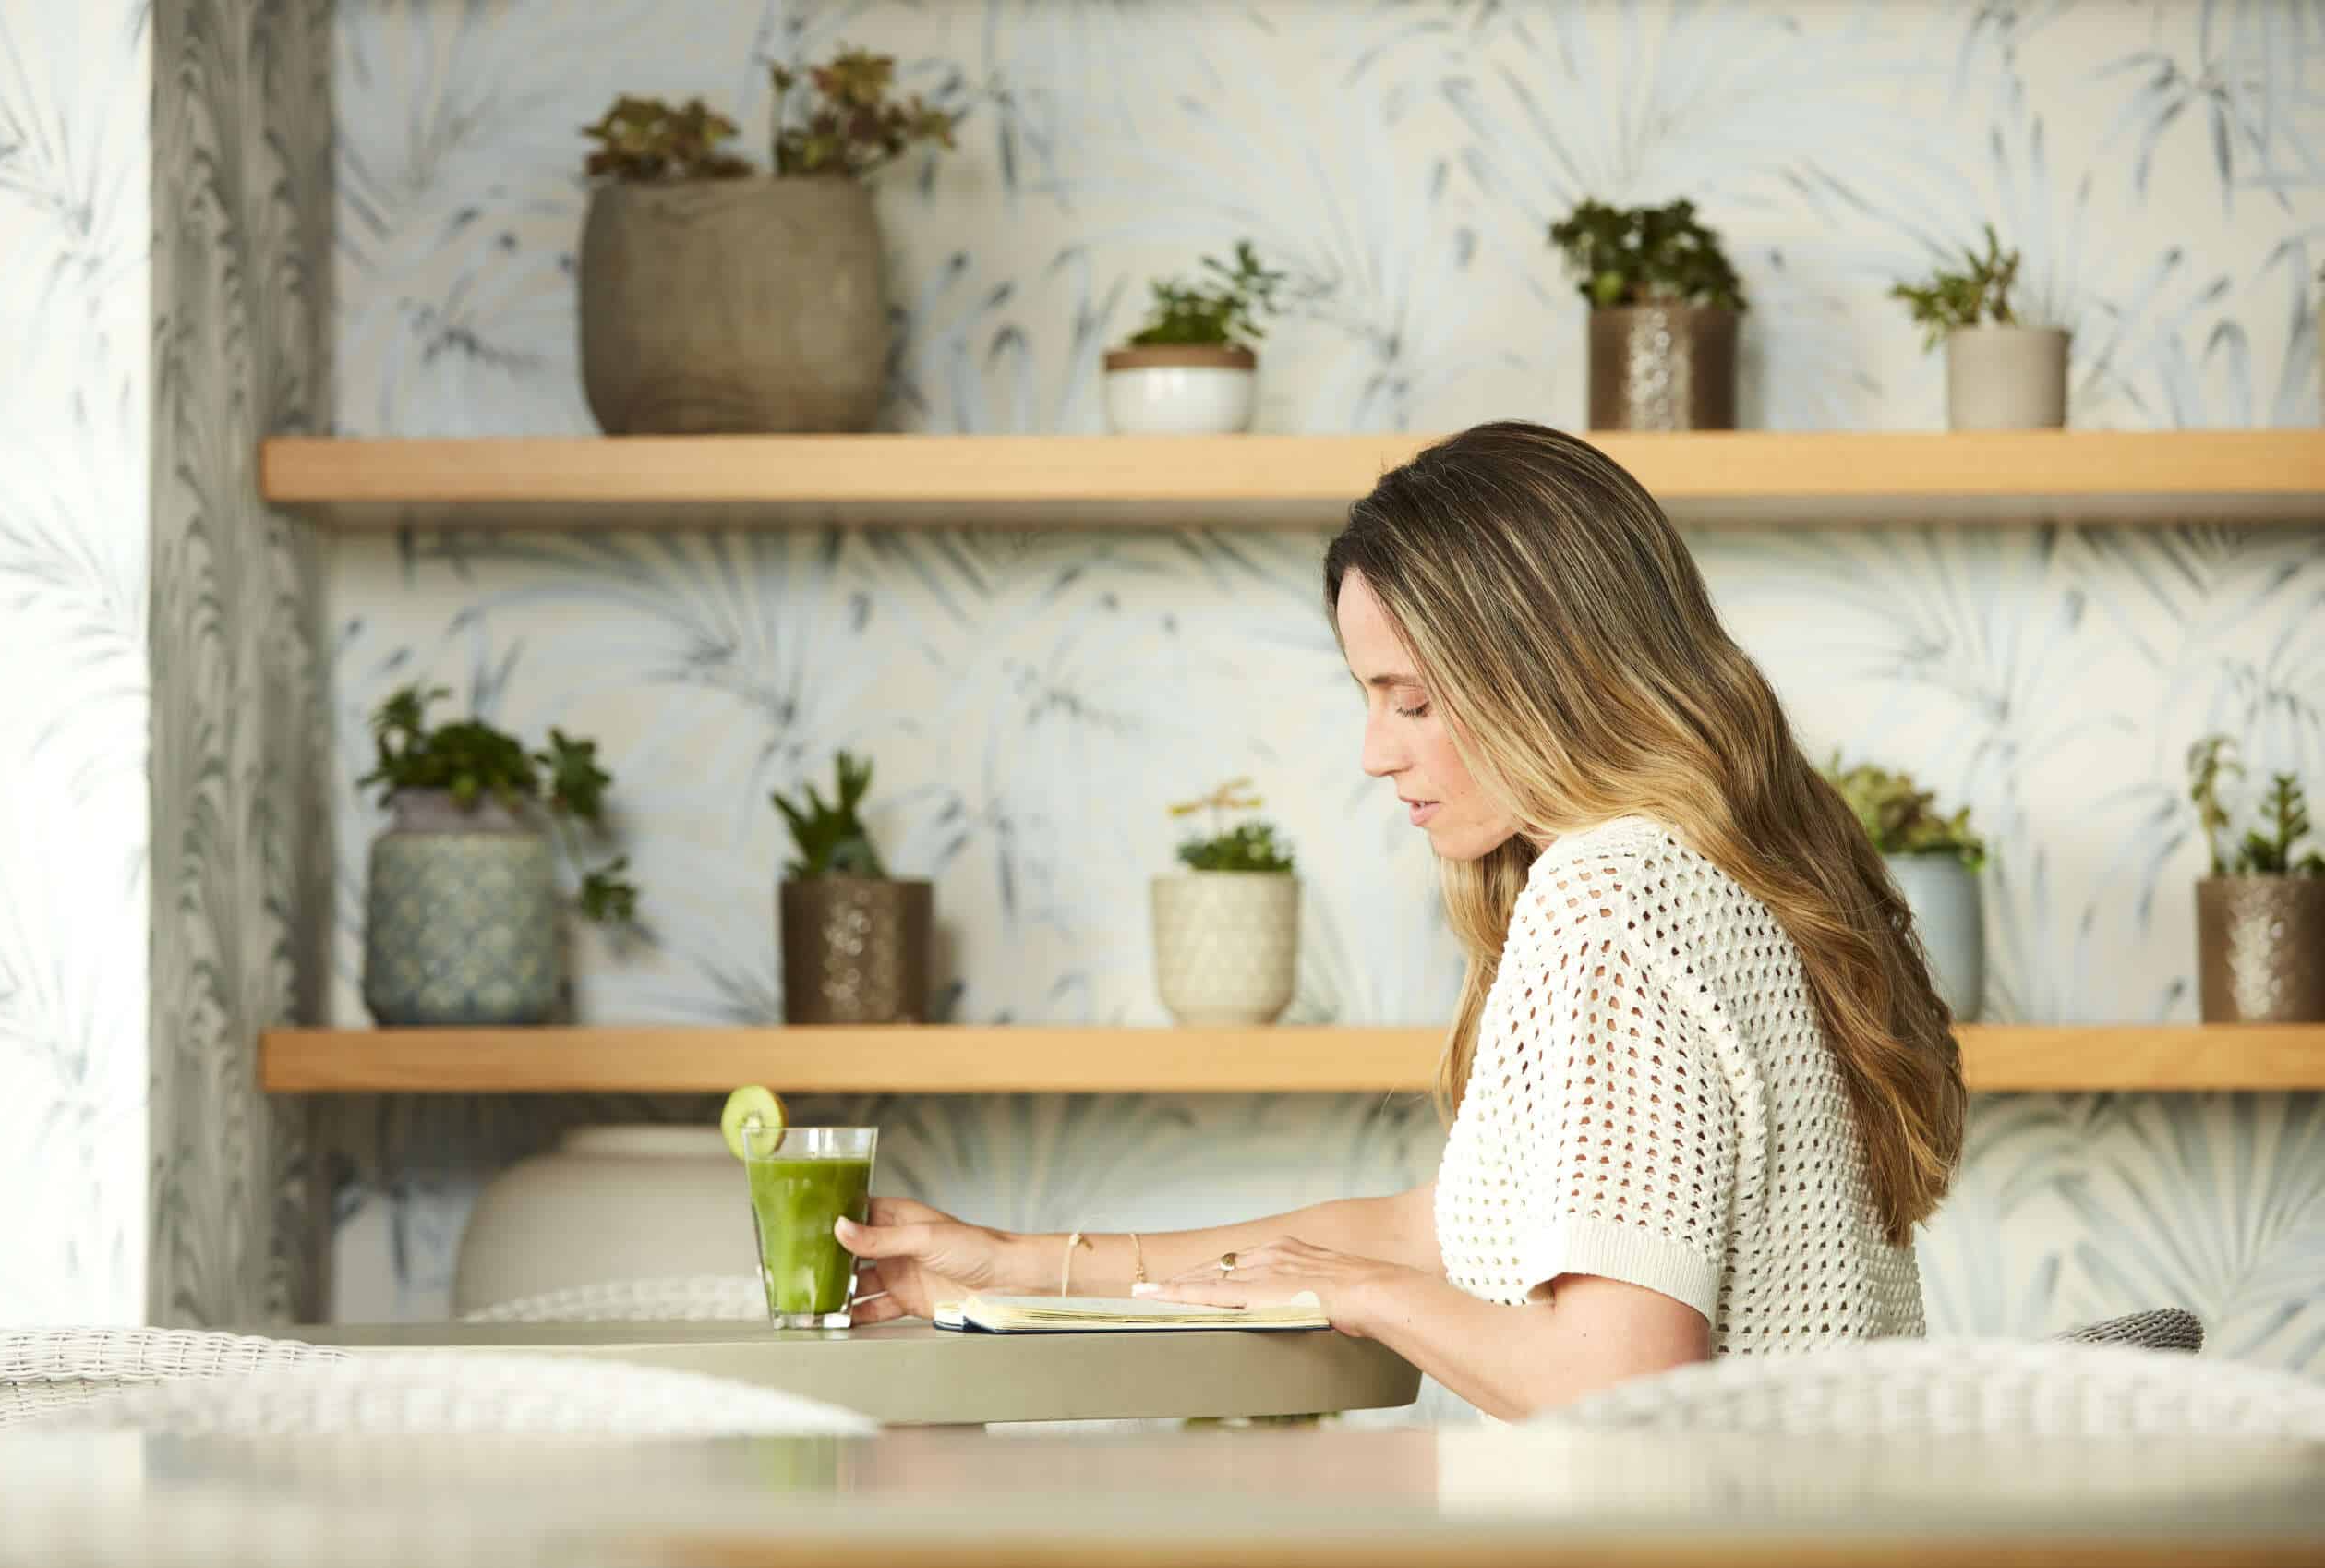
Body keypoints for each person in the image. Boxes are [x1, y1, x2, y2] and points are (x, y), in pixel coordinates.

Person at [835, 421, 1968, 1421]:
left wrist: (1363, 1298)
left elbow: (1618, 1390)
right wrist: (1019, 1265)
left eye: (1413, 700)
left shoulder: (1611, 897)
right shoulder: (1728, 880)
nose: (1378, 752)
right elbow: (1444, 1228)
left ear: (1557, 676)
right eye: (1368, 697)